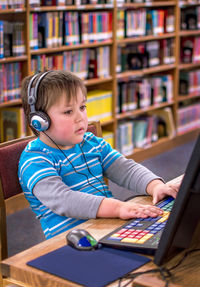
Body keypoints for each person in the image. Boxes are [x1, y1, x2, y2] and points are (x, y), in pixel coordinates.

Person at [18, 70, 179, 239]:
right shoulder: (35, 160)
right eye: (68, 112)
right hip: (70, 241)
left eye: (82, 107)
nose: (80, 117)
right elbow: (63, 200)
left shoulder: (91, 143)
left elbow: (126, 169)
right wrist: (118, 208)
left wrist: (155, 186)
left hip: (108, 226)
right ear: (40, 121)